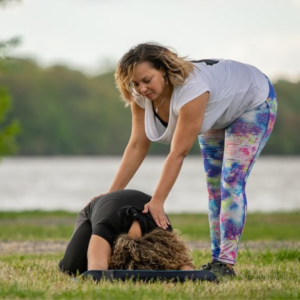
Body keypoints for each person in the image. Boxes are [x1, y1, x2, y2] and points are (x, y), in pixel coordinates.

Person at [93, 42, 277, 277]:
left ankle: (226, 263)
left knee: (230, 182)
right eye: (135, 83)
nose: (141, 89)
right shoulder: (140, 97)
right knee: (213, 188)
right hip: (219, 109)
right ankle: (216, 260)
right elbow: (138, 146)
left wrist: (158, 199)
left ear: (164, 71)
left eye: (147, 80)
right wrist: (110, 197)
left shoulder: (192, 91)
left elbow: (178, 153)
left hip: (253, 100)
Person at [59, 189, 194, 276]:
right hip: (96, 210)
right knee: (71, 267)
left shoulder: (161, 226)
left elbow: (182, 264)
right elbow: (96, 270)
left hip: (132, 205)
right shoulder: (106, 226)